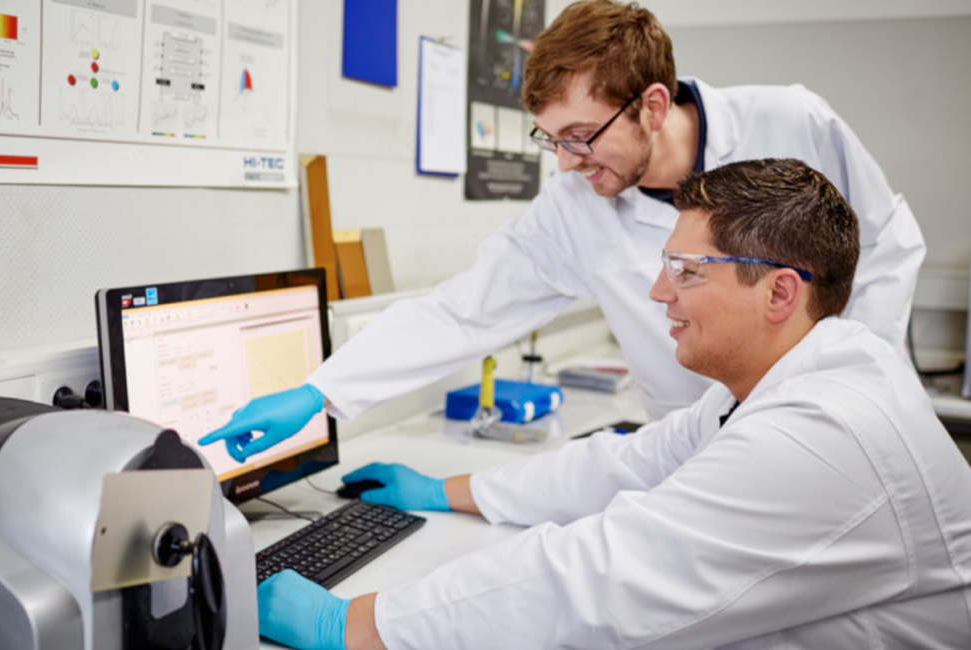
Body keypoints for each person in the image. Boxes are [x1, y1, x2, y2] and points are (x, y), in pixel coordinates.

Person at [255, 158, 971, 650]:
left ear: (781, 292)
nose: (659, 294)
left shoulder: (823, 432)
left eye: (686, 271)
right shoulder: (786, 382)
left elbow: (602, 574)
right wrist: (449, 490)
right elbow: (629, 465)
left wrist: (354, 624)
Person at [201, 1, 924, 472]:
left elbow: (890, 245)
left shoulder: (791, 121)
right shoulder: (574, 204)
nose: (570, 163)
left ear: (651, 103)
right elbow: (463, 310)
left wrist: (846, 385)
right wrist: (320, 391)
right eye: (551, 141)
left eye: (581, 137)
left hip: (842, 429)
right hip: (695, 447)